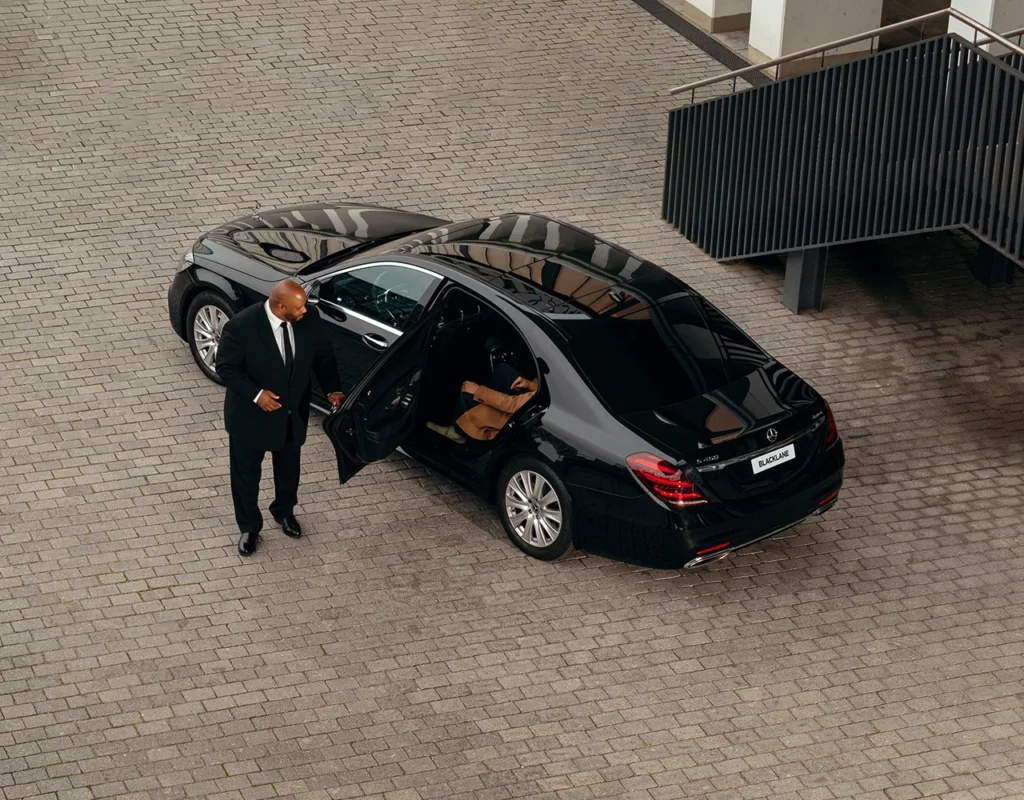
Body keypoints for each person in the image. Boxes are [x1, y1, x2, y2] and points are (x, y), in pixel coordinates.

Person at [215, 279, 344, 556]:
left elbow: (323, 356)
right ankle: (249, 527)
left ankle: (284, 512)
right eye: (299, 307)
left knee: (289, 470)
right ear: (281, 307)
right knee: (246, 477)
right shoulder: (241, 327)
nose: (305, 311)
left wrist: (332, 388)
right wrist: (256, 395)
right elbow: (226, 367)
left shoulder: (309, 319)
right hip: (250, 420)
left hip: (291, 415)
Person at [427, 361, 539, 443]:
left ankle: (458, 432)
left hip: (515, 415)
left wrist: (478, 391)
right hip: (530, 397)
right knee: (503, 370)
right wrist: (529, 384)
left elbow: (513, 405)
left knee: (467, 393)